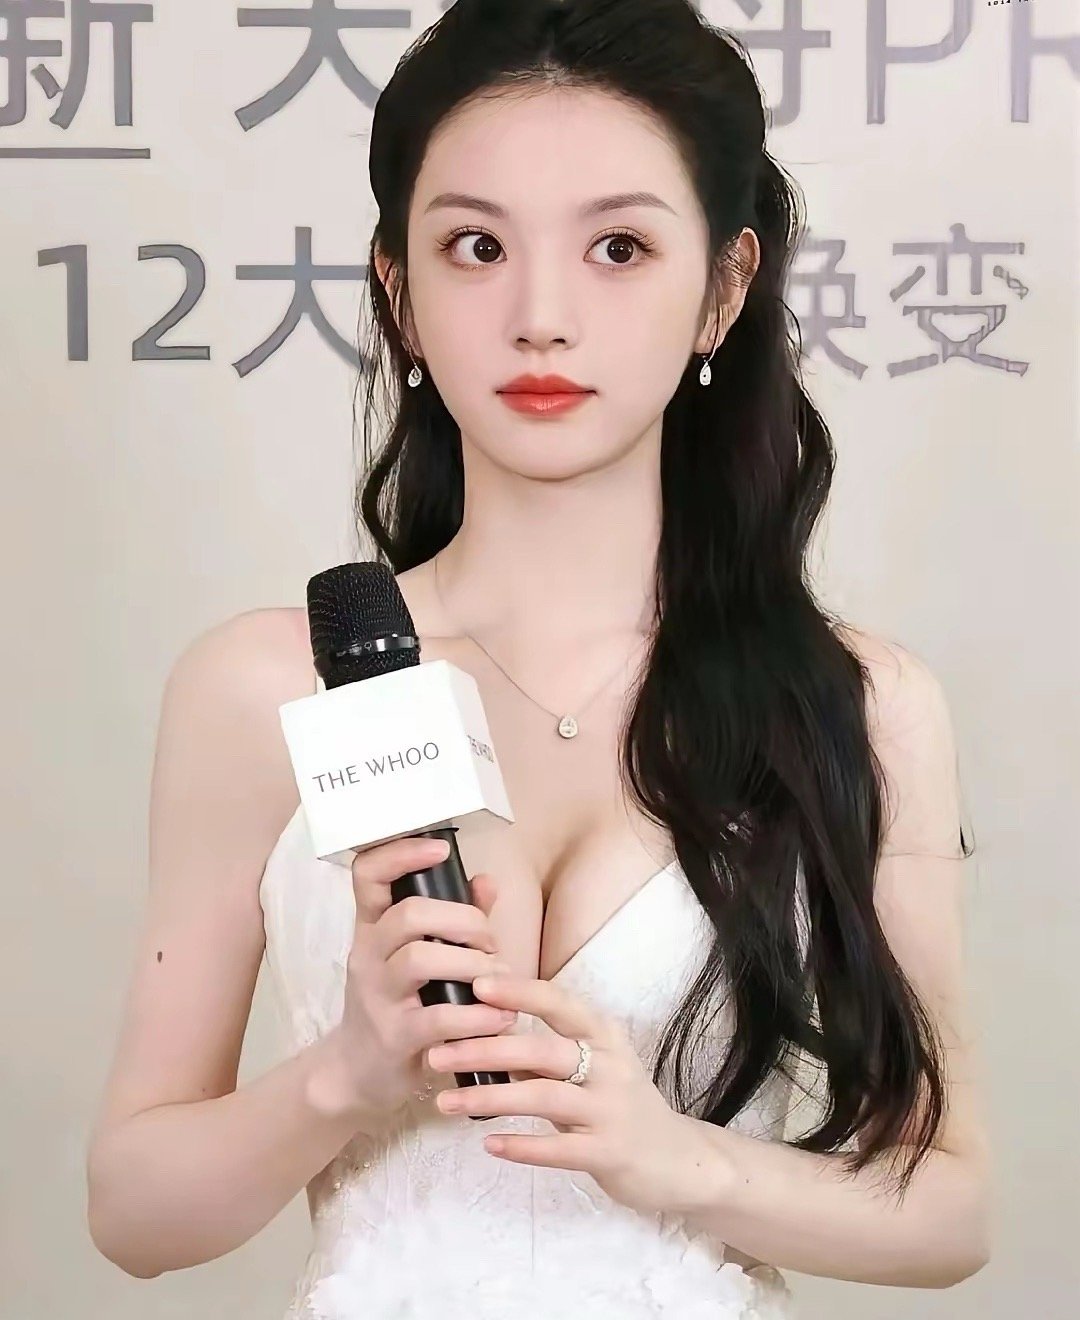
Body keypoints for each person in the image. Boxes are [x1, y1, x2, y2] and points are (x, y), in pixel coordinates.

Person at [85, 1, 992, 1315]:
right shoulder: (263, 686)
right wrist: (345, 1075)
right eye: (477, 247)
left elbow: (951, 1211)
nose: (542, 317)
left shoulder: (860, 703)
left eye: (619, 247)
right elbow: (134, 1212)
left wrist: (675, 1161)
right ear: (399, 291)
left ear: (724, 287)